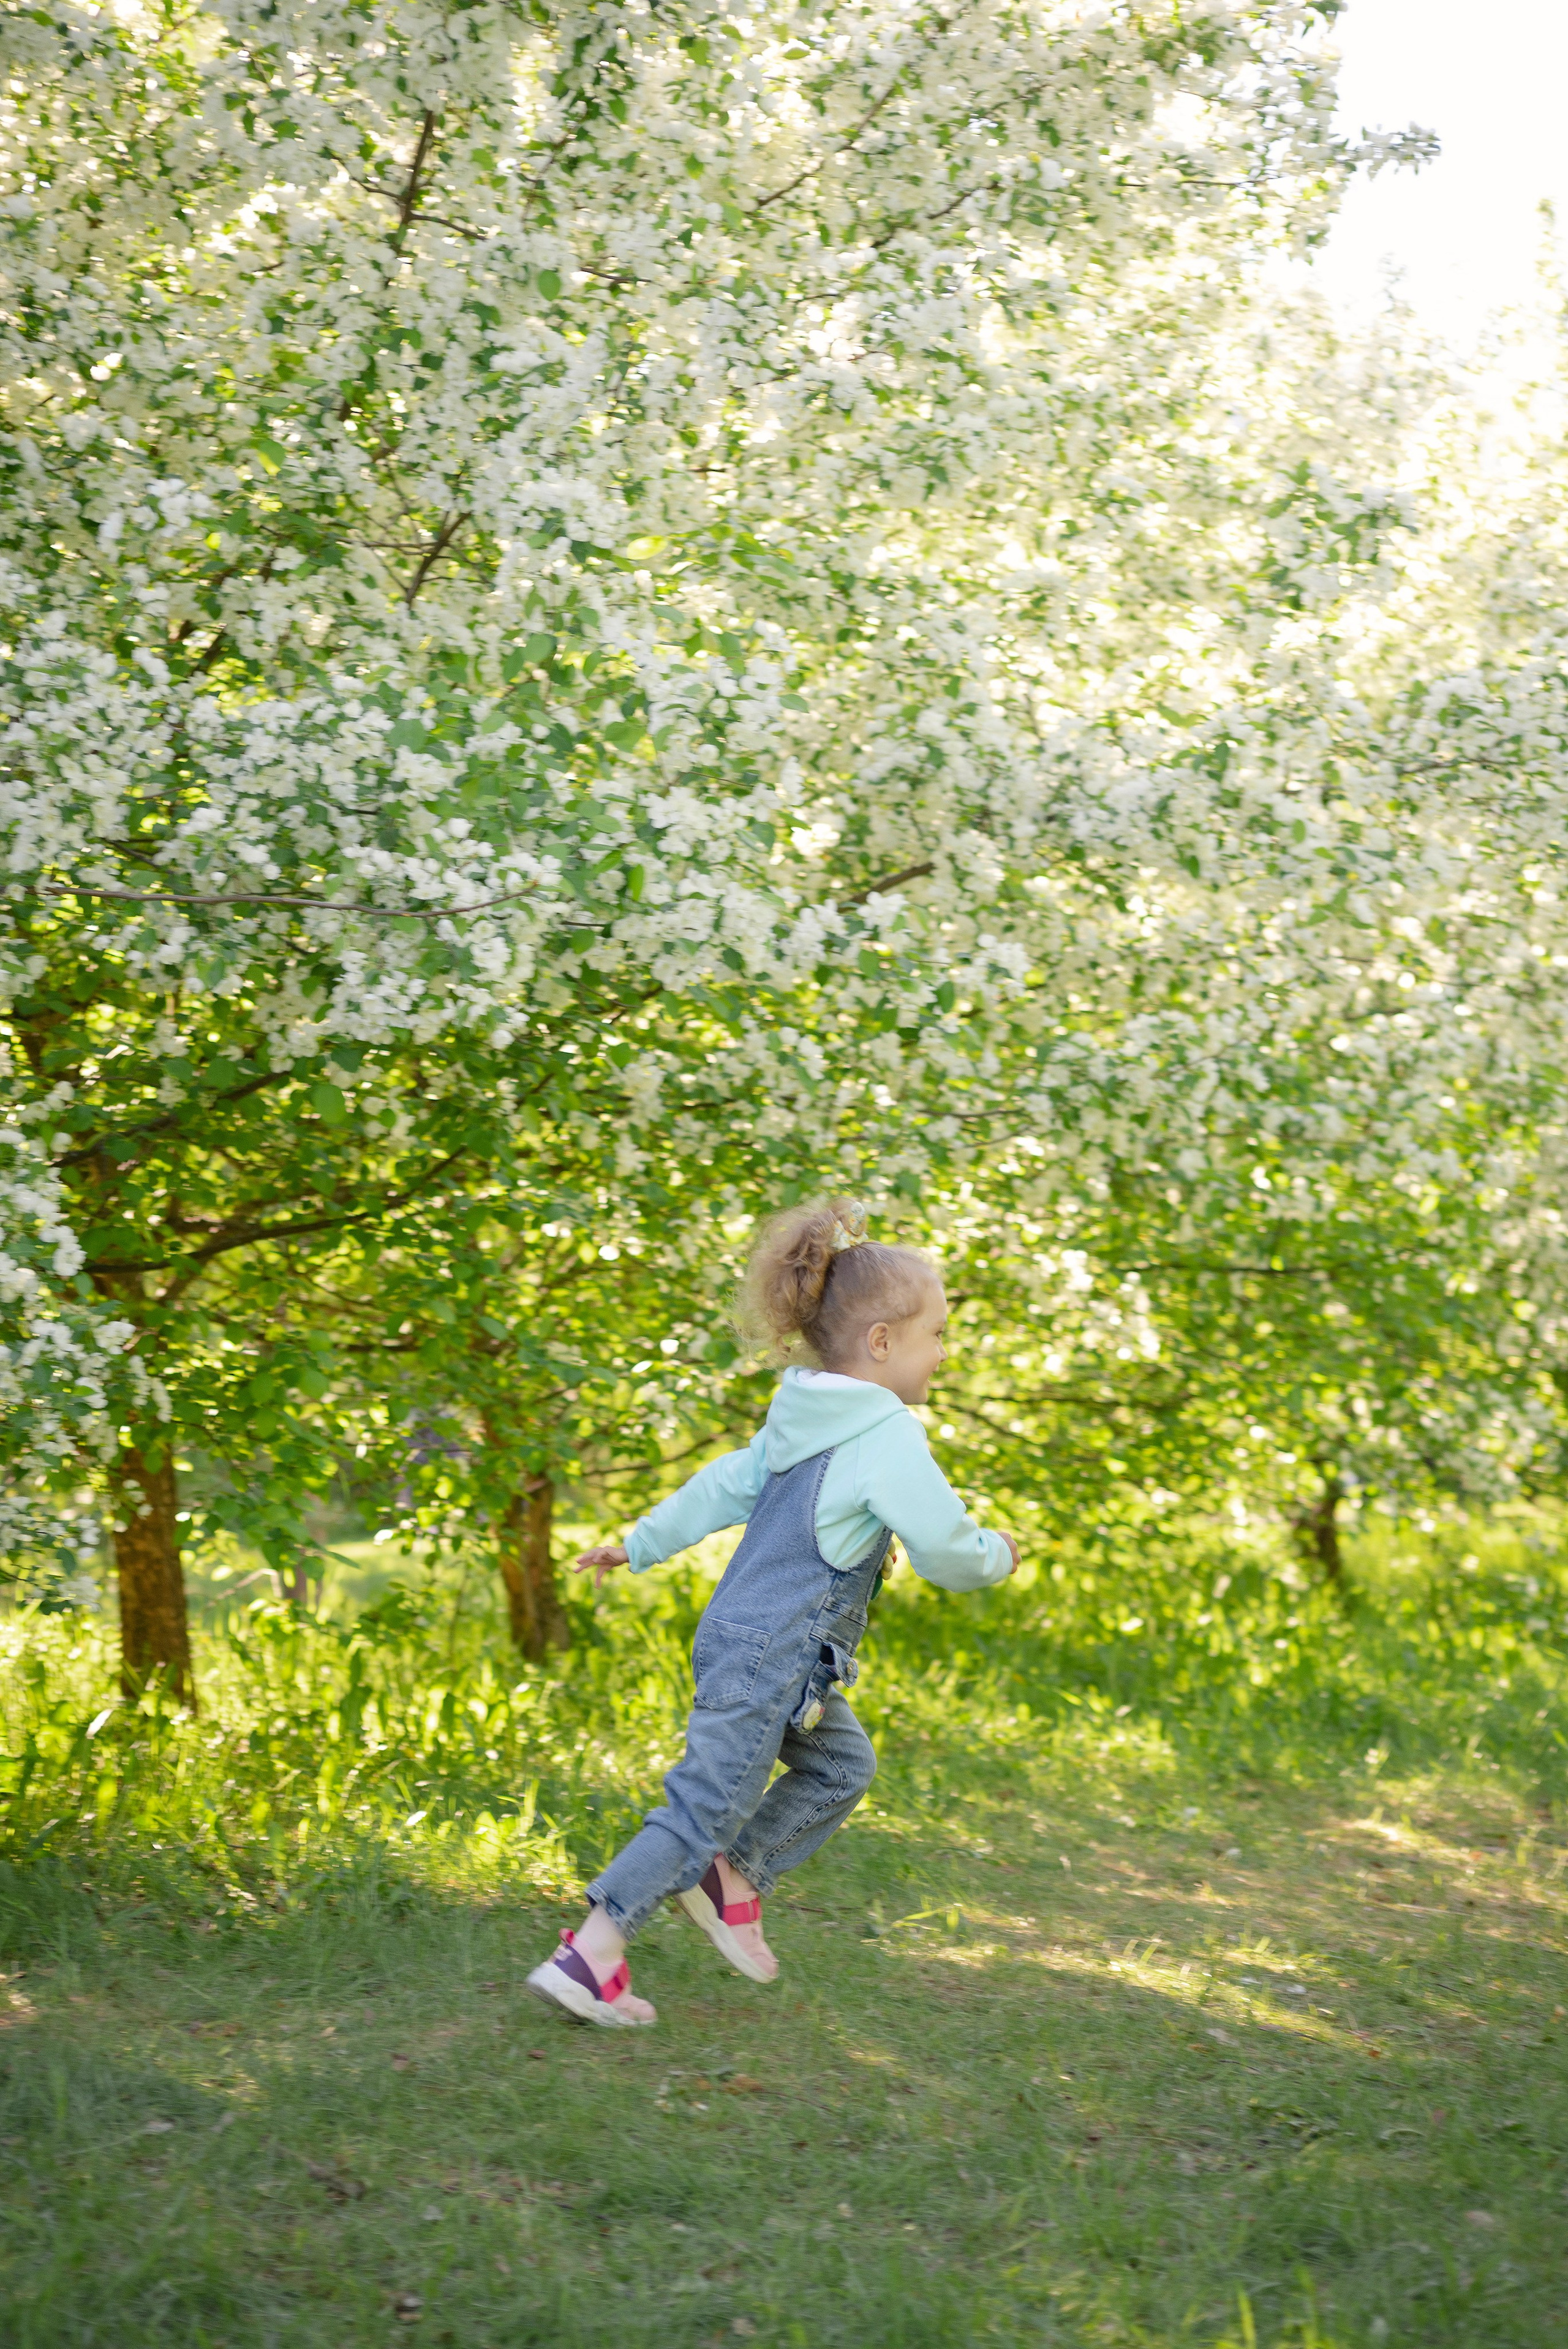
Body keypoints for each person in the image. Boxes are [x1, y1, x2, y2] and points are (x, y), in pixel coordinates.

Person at [526, 1200, 1020, 2027]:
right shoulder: (888, 1436)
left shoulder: (804, 1417)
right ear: (882, 1343)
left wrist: (640, 1543)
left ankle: (734, 1878)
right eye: (938, 1333)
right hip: (773, 1660)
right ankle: (593, 1952)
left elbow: (723, 1484)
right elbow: (946, 1550)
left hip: (752, 1649)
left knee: (841, 1768)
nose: (946, 1351)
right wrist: (998, 1552)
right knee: (701, 1806)